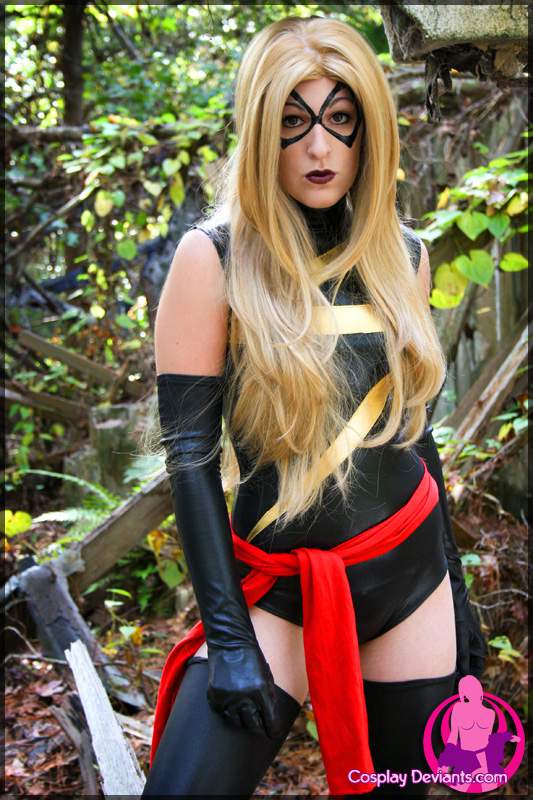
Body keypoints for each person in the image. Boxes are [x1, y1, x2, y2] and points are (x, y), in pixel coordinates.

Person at [142, 15, 486, 798]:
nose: (319, 147)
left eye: (339, 119)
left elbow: (412, 435)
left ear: (369, 131)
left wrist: (458, 600)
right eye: (293, 123)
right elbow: (189, 460)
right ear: (261, 132)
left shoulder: (404, 257)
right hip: (280, 589)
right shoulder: (213, 259)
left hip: (409, 584)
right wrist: (228, 640)